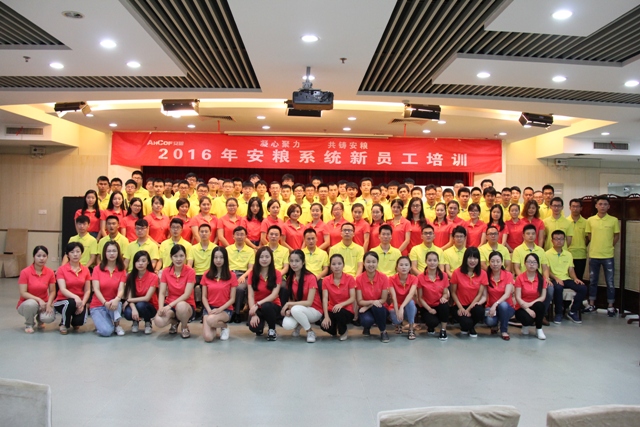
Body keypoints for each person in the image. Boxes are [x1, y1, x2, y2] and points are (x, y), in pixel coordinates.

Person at [584, 196, 620, 316]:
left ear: (609, 206)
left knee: (610, 281)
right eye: (600, 204)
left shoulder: (613, 220)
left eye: (605, 204)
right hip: (594, 255)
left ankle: (611, 306)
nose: (602, 206)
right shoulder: (590, 220)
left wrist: (609, 246)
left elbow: (616, 236)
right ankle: (592, 304)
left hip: (608, 255)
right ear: (596, 206)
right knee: (593, 281)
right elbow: (589, 235)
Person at [153, 245, 196, 339]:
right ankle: (174, 322)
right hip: (170, 303)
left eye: (181, 256)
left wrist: (169, 306)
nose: (178, 259)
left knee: (181, 306)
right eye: (175, 256)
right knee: (158, 321)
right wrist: (161, 308)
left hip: (186, 305)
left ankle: (184, 326)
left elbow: (186, 294)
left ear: (185, 256)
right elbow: (162, 292)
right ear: (171, 257)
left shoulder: (190, 271)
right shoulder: (165, 271)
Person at [281, 250, 323, 343]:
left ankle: (310, 331)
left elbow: (309, 302)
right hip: (299, 309)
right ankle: (300, 324)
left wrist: (288, 305)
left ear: (303, 262)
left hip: (314, 310)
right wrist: (289, 309)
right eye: (291, 261)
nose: (294, 264)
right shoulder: (290, 278)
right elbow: (291, 298)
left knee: (296, 310)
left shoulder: (311, 277)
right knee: (287, 325)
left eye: (297, 261)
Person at [546, 230, 587, 324]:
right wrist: (556, 278)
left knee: (583, 288)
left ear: (564, 240)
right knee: (558, 287)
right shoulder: (547, 254)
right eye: (556, 239)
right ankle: (558, 313)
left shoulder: (568, 254)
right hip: (554, 279)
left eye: (561, 239)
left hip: (567, 279)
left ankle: (572, 311)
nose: (559, 241)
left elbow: (571, 270)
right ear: (552, 241)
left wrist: (575, 278)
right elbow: (547, 270)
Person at [90, 241, 127, 337]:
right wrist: (104, 303)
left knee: (117, 303)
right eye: (109, 251)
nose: (111, 254)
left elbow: (121, 289)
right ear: (104, 253)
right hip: (98, 305)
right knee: (106, 332)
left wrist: (117, 299)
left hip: (113, 304)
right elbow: (96, 289)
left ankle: (117, 325)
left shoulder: (121, 270)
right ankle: (103, 324)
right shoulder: (97, 269)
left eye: (114, 251)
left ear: (118, 253)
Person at [17, 246, 57, 333]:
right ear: (34, 257)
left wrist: (49, 304)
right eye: (38, 256)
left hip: (44, 303)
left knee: (48, 317)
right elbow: (23, 293)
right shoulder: (25, 272)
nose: (41, 258)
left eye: (44, 256)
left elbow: (52, 291)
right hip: (27, 304)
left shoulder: (50, 272)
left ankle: (40, 319)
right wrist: (38, 299)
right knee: (31, 304)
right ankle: (29, 324)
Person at [54, 242, 91, 334]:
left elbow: (87, 290)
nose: (75, 254)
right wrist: (76, 297)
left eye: (78, 252)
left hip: (79, 302)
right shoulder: (61, 269)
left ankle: (73, 320)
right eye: (72, 252)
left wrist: (82, 304)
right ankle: (64, 324)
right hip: (62, 301)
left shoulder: (85, 270)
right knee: (70, 302)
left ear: (81, 253)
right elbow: (62, 289)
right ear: (67, 255)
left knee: (79, 322)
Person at [450, 247, 487, 337]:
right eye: (470, 257)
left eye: (475, 258)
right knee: (466, 323)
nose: (472, 261)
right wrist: (461, 308)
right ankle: (468, 326)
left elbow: (480, 294)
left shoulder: (483, 273)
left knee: (480, 311)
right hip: (459, 305)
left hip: (473, 305)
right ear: (465, 258)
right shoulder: (457, 272)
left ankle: (471, 326)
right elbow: (453, 292)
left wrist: (469, 309)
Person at [201, 247, 237, 342]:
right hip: (209, 309)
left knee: (210, 320)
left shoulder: (232, 276)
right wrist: (209, 310)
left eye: (221, 257)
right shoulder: (206, 274)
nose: (218, 260)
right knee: (208, 338)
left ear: (225, 259)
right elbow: (204, 297)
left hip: (225, 309)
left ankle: (224, 326)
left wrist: (219, 310)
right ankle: (214, 325)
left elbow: (232, 299)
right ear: (212, 259)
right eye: (216, 257)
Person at [247, 247, 282, 341]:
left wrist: (258, 303)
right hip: (257, 307)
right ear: (257, 259)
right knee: (254, 327)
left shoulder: (277, 273)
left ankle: (272, 329)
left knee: (266, 306)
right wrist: (253, 314)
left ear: (271, 258)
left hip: (272, 306)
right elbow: (250, 295)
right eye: (261, 257)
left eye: (267, 257)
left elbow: (274, 295)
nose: (264, 259)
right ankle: (261, 324)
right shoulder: (252, 274)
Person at [356, 252, 391, 343]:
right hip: (364, 307)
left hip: (380, 307)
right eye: (368, 262)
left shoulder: (383, 277)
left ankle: (383, 331)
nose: (371, 264)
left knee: (377, 307)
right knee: (366, 321)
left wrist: (369, 306)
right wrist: (371, 303)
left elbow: (383, 299)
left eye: (373, 262)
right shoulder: (359, 279)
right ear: (364, 263)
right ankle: (367, 327)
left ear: (377, 263)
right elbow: (359, 301)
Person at [321, 254, 356, 341]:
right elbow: (325, 298)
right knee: (323, 324)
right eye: (334, 264)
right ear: (330, 266)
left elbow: (352, 297)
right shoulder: (326, 280)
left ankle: (343, 331)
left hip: (346, 309)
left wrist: (341, 304)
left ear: (343, 265)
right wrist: (326, 316)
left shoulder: (350, 278)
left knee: (339, 313)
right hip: (332, 309)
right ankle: (334, 329)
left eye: (339, 264)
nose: (337, 266)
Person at [122, 251, 158, 334]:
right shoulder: (130, 276)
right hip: (135, 304)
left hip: (150, 306)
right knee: (128, 313)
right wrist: (134, 309)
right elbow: (130, 297)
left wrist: (128, 301)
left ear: (148, 262)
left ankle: (148, 322)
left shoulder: (153, 276)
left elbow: (147, 298)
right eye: (138, 261)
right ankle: (135, 321)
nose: (140, 263)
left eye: (143, 261)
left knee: (141, 305)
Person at [417, 251, 450, 340]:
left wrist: (443, 297)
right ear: (426, 261)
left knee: (445, 306)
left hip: (439, 305)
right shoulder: (420, 277)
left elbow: (445, 293)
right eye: (430, 260)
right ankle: (430, 326)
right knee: (432, 322)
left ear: (438, 262)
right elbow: (420, 297)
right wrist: (429, 309)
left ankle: (443, 330)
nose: (432, 263)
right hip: (427, 306)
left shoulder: (444, 276)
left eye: (435, 260)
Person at [515, 253, 548, 339]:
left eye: (534, 262)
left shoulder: (542, 279)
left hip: (534, 305)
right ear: (525, 264)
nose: (531, 264)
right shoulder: (520, 278)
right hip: (522, 307)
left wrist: (530, 304)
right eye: (529, 262)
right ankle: (525, 325)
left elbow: (542, 297)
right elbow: (517, 297)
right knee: (527, 319)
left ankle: (539, 329)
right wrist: (527, 309)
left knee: (540, 305)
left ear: (538, 265)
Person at [484, 251, 515, 341]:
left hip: (507, 308)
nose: (495, 264)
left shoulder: (508, 275)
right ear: (489, 263)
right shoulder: (486, 275)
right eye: (492, 261)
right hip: (491, 307)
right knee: (489, 321)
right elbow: (484, 294)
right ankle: (495, 323)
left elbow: (507, 294)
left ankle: (504, 330)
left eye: (498, 261)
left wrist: (496, 304)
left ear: (502, 263)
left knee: (503, 305)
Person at [227, 226, 255, 322]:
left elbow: (251, 268)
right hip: (229, 274)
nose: (239, 236)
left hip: (244, 275)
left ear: (246, 236)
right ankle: (227, 311)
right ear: (233, 236)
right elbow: (225, 265)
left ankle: (237, 312)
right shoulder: (227, 249)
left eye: (242, 234)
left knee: (239, 288)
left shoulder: (250, 251)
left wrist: (243, 276)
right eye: (237, 234)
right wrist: (231, 275)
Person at [387, 256, 418, 340]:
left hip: (408, 305)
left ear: (410, 268)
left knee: (411, 302)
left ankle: (411, 329)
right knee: (396, 319)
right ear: (396, 267)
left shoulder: (414, 278)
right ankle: (398, 325)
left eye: (406, 265)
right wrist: (398, 310)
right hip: (396, 305)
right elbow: (393, 297)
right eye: (401, 265)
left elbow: (411, 294)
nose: (404, 267)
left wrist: (402, 307)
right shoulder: (391, 279)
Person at [567, 198, 588, 282]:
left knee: (579, 278)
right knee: (567, 278)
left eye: (577, 206)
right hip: (568, 253)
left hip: (581, 254)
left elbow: (588, 238)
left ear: (581, 208)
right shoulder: (565, 221)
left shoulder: (586, 222)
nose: (575, 209)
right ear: (570, 208)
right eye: (573, 206)